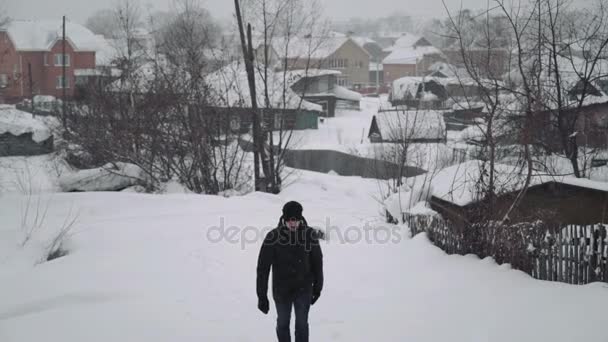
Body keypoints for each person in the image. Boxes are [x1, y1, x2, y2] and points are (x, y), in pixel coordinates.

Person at [256, 201, 324, 342]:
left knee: (302, 325)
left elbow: (318, 262)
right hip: (281, 291)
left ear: (300, 219)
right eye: (290, 220)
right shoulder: (273, 237)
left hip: (303, 289)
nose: (293, 224)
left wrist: (317, 288)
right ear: (284, 219)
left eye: (296, 220)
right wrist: (261, 295)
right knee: (283, 324)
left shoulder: (309, 235)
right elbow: (263, 268)